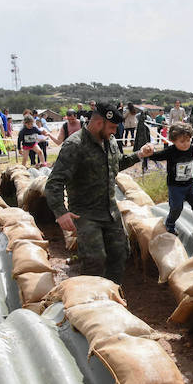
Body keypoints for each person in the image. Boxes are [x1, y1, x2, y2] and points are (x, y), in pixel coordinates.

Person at [45, 103, 149, 284]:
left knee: (120, 253)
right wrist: (60, 212)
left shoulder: (110, 142)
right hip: (85, 213)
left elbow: (117, 164)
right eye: (112, 127)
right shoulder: (75, 145)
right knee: (95, 259)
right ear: (99, 123)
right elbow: (55, 182)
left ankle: (111, 294)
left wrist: (139, 155)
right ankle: (91, 300)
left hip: (110, 211)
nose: (115, 132)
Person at [140, 122, 193, 240]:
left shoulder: (191, 148)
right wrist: (148, 153)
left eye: (188, 140)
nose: (186, 144)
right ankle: (170, 224)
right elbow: (157, 156)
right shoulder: (170, 151)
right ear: (173, 140)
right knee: (177, 208)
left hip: (189, 183)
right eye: (182, 142)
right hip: (175, 186)